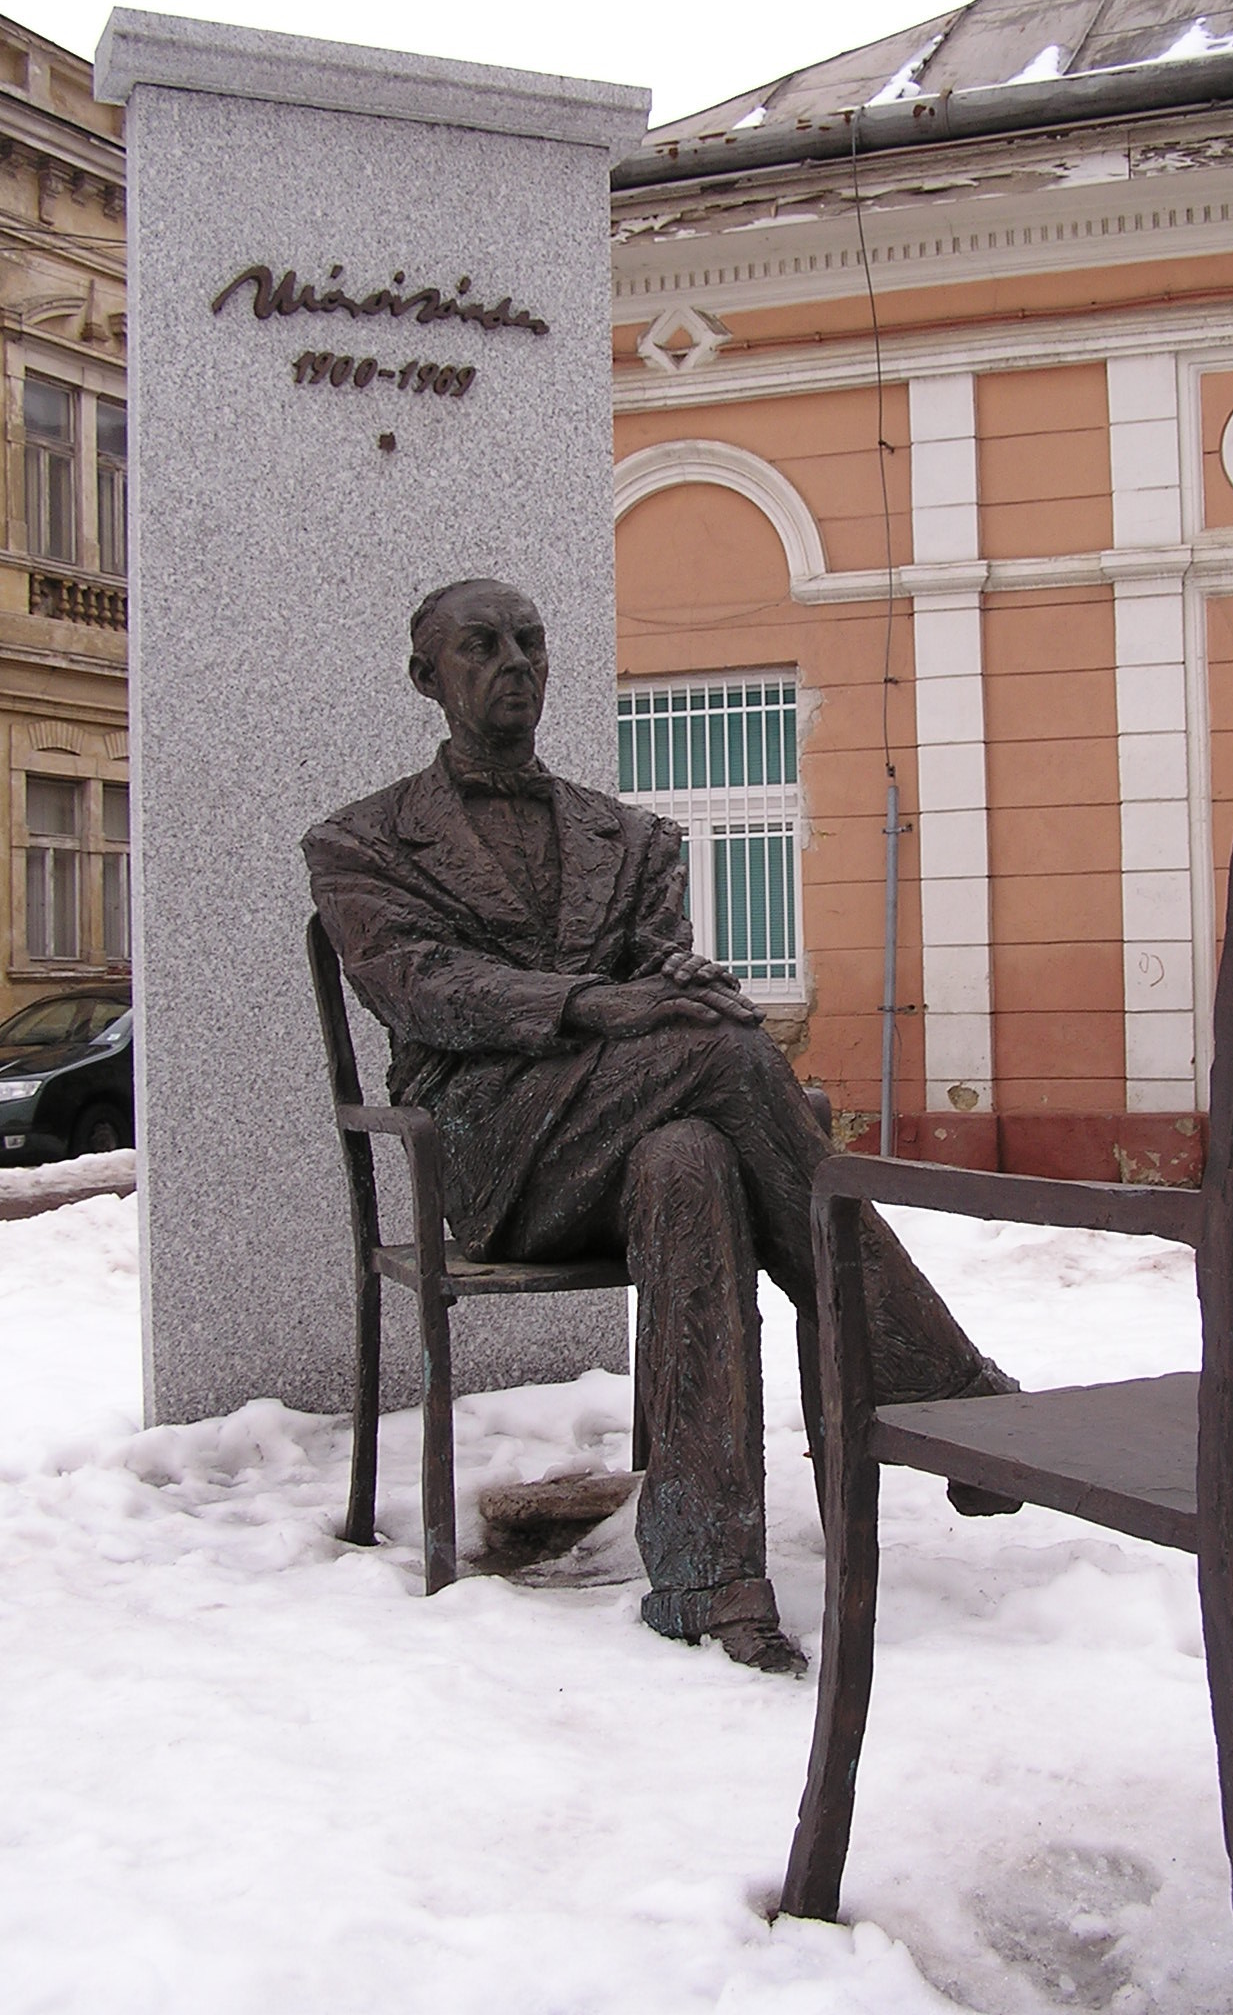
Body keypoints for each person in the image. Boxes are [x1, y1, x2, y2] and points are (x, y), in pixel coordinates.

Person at [304, 579, 1015, 1673]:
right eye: (481, 646)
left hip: (634, 1141)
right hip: (494, 1158)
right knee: (723, 1055)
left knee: (692, 1157)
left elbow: (655, 970)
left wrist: (679, 982)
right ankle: (935, 1378)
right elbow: (420, 985)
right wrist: (596, 1004)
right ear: (425, 676)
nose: (515, 663)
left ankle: (706, 1573)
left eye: (530, 642)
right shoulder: (362, 840)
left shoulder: (630, 837)